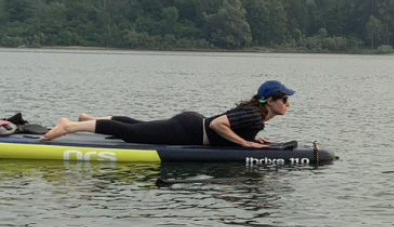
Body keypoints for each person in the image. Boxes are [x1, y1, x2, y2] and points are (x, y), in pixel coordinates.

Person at [41, 80, 295, 148]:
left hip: (190, 126)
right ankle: (68, 127)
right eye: (284, 99)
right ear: (270, 101)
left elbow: (231, 125)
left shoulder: (256, 115)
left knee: (139, 126)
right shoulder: (253, 115)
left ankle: (93, 119)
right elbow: (219, 124)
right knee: (132, 134)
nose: (287, 104)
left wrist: (251, 139)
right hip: (188, 131)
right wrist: (245, 143)